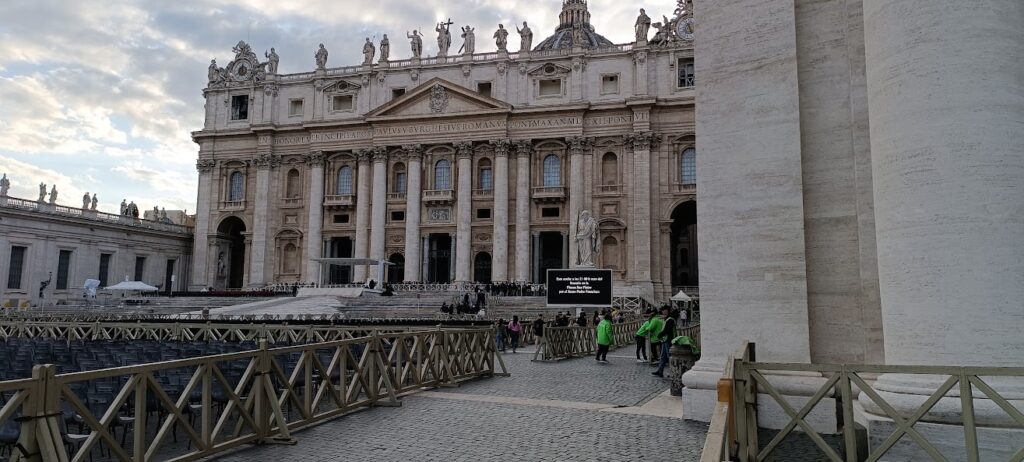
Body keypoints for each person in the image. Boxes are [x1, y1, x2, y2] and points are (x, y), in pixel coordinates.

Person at [653, 307, 677, 377]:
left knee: (669, 356)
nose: (663, 312)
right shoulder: (669, 319)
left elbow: (667, 330)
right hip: (665, 339)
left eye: (664, 310)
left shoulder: (670, 320)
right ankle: (660, 371)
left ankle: (672, 372)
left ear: (667, 311)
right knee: (663, 356)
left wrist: (659, 335)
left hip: (668, 339)